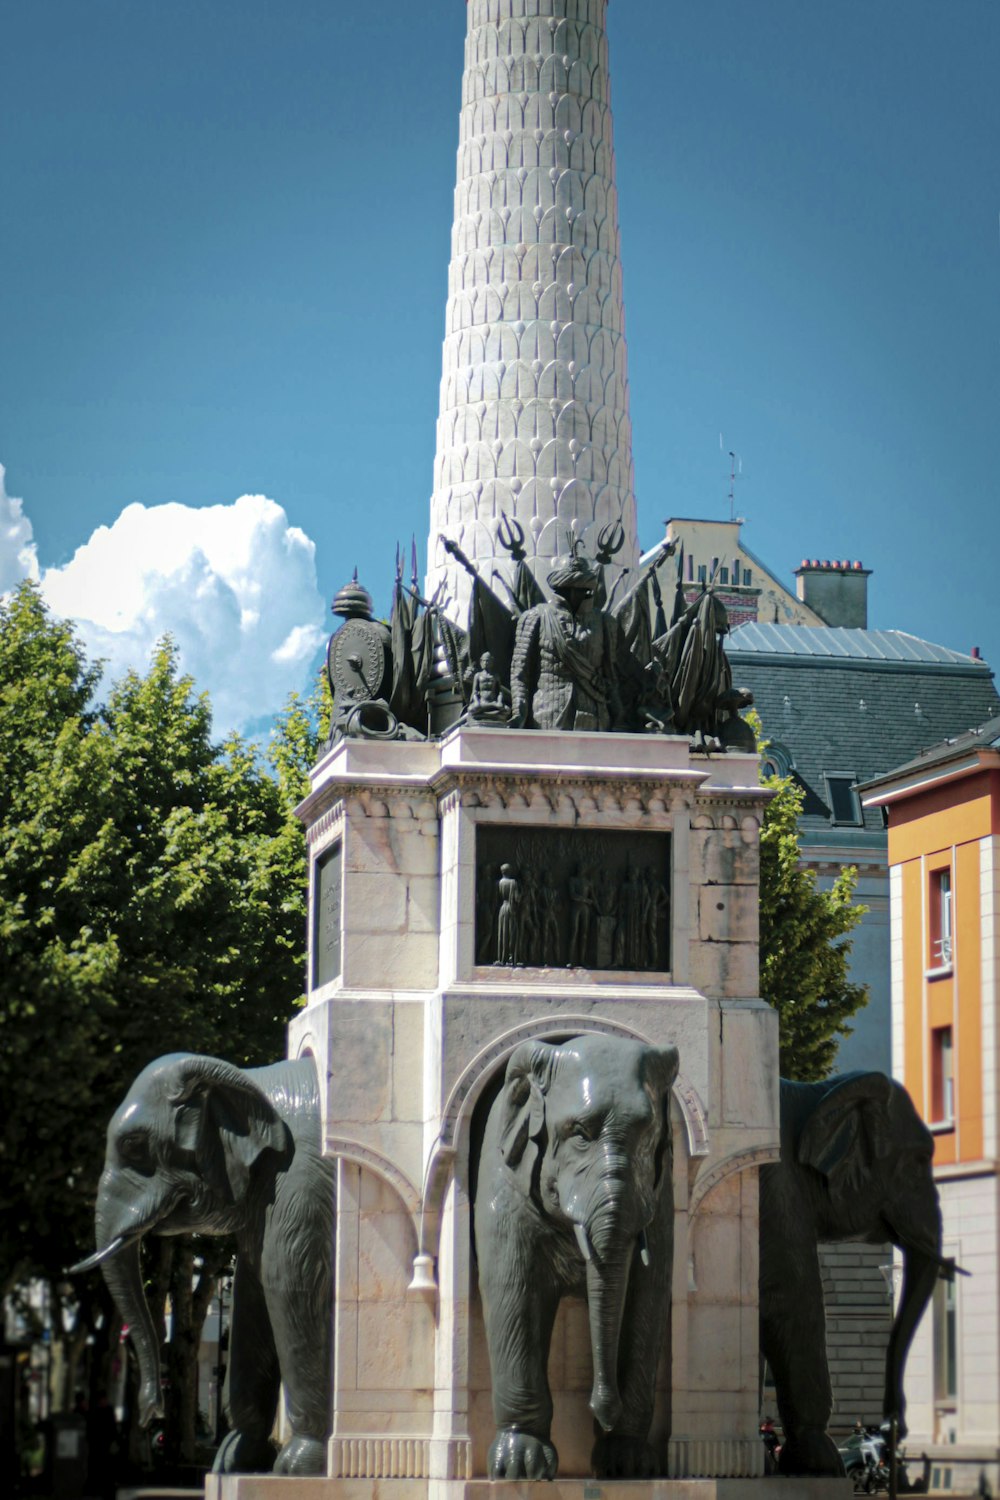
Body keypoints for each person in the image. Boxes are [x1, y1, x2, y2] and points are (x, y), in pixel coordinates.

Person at [510, 550, 622, 732]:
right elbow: (520, 673)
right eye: (574, 587)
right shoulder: (534, 617)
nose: (580, 593)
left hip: (594, 716)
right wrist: (519, 711)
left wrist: (619, 717)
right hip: (548, 715)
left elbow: (611, 674)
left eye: (583, 588)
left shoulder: (604, 622)